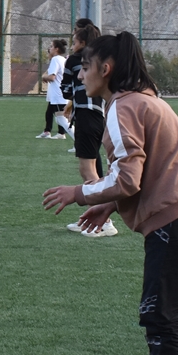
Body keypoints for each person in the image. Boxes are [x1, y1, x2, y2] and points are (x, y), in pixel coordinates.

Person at [43, 32, 178, 355]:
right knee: (176, 308)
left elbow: (129, 178)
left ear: (107, 69)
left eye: (86, 66)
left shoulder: (122, 107)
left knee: (158, 310)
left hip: (174, 215)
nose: (81, 73)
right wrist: (109, 204)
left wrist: (80, 193)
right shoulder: (145, 100)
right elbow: (138, 174)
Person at [61, 23, 116, 237]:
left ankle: (104, 222)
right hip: (98, 116)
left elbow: (66, 89)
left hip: (86, 116)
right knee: (92, 168)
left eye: (74, 41)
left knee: (87, 170)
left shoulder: (75, 60)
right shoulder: (101, 59)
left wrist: (71, 95)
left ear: (83, 43)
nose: (72, 45)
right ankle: (95, 219)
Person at [37, 39, 73, 140]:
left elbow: (52, 77)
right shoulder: (62, 59)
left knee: (62, 119)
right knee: (53, 114)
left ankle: (73, 138)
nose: (50, 48)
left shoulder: (55, 59)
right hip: (60, 94)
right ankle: (49, 131)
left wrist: (44, 78)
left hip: (58, 94)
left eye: (51, 46)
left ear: (56, 49)